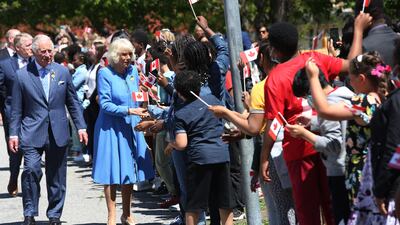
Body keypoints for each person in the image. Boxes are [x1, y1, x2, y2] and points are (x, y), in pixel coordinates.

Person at [208, 41, 296, 225]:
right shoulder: (293, 78)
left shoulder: (262, 87)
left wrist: (225, 113)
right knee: (295, 208)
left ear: (262, 58)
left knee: (280, 209)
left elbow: (254, 127)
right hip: (297, 148)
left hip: (273, 151)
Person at [8, 34, 88, 225]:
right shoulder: (22, 75)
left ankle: (54, 215)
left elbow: (73, 102)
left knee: (57, 176)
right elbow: (16, 108)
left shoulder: (62, 73)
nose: (47, 55)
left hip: (57, 130)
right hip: (31, 131)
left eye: (50, 51)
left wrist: (81, 127)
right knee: (30, 170)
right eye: (42, 51)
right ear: (33, 52)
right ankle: (29, 212)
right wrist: (13, 133)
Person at [305, 52, 390, 224]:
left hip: (363, 174)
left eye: (351, 79)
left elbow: (324, 110)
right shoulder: (383, 98)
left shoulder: (364, 102)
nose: (350, 84)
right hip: (379, 169)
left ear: (361, 78)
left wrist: (313, 77)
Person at [91, 38, 154, 225]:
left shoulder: (134, 71)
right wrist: (128, 110)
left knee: (128, 172)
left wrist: (143, 100)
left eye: (130, 54)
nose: (127, 58)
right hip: (110, 127)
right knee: (111, 173)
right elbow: (105, 104)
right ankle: (111, 215)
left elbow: (136, 97)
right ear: (114, 55)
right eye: (123, 54)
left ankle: (127, 214)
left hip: (130, 125)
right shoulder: (104, 73)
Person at [287, 68, 354, 224]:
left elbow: (335, 143)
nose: (308, 102)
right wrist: (313, 121)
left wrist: (304, 134)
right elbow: (341, 125)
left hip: (339, 171)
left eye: (306, 97)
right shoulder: (345, 95)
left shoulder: (329, 104)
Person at [170, 70, 233, 225]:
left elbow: (182, 143)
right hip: (221, 155)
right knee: (225, 203)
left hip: (199, 160)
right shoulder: (213, 100)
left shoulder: (181, 114)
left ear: (179, 93)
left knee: (194, 205)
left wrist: (171, 144)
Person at [0, 32, 33, 197]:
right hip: (12, 113)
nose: (31, 48)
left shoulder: (37, 63)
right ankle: (14, 176)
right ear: (18, 47)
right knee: (15, 149)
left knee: (31, 149)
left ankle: (29, 183)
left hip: (34, 113)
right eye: (28, 45)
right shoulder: (5, 64)